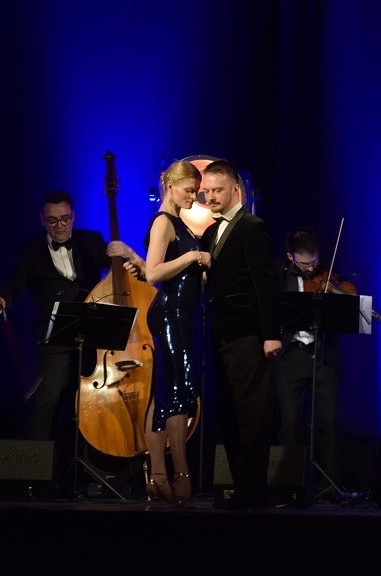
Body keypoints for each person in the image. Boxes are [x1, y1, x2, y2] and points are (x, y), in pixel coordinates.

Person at [0, 190, 145, 450]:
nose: (59, 226)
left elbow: (120, 271)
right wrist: (1, 300)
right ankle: (34, 462)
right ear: (42, 219)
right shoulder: (29, 253)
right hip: (54, 339)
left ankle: (85, 460)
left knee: (89, 400)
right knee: (49, 397)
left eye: (65, 219)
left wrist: (128, 257)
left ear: (74, 216)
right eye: (52, 220)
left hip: (92, 336)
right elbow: (12, 288)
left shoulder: (91, 240)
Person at [200, 159, 282, 510]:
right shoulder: (210, 232)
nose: (210, 197)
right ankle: (241, 487)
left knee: (252, 415)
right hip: (222, 335)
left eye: (217, 190)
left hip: (250, 334)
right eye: (207, 191)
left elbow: (266, 283)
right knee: (229, 414)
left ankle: (254, 492)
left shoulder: (252, 227)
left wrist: (271, 334)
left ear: (236, 190)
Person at [139, 160, 211, 509]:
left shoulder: (177, 223)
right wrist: (194, 256)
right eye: (189, 191)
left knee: (164, 395)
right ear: (170, 186)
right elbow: (153, 272)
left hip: (181, 316)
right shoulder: (163, 222)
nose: (193, 197)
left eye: (196, 192)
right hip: (170, 315)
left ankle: (157, 476)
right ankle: (181, 474)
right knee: (179, 395)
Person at [274, 227, 345, 500]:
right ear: (290, 256)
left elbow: (345, 316)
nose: (311, 268)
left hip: (323, 355)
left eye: (314, 262)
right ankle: (289, 486)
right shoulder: (277, 275)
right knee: (290, 421)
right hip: (290, 356)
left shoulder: (329, 275)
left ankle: (330, 485)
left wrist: (338, 299)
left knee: (329, 421)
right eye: (304, 264)